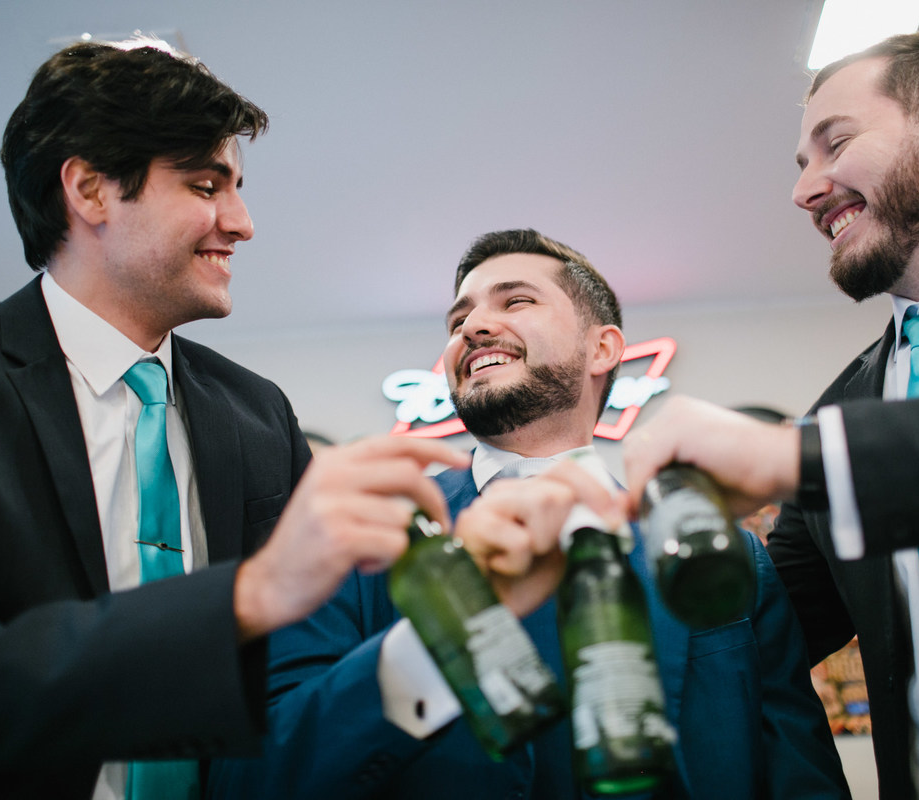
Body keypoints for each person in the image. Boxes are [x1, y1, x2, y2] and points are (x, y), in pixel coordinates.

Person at [0, 38, 466, 800]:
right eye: (206, 185)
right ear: (91, 189)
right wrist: (244, 595)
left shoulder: (260, 415)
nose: (242, 222)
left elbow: (298, 689)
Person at [623, 30, 919, 799]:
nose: (805, 190)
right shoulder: (845, 405)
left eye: (833, 143)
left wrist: (795, 460)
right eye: (802, 165)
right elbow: (757, 633)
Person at [209, 229, 849, 798]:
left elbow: (799, 770)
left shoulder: (729, 552)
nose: (472, 328)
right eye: (458, 319)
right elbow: (253, 779)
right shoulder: (360, 544)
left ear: (604, 349)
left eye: (515, 301)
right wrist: (435, 648)